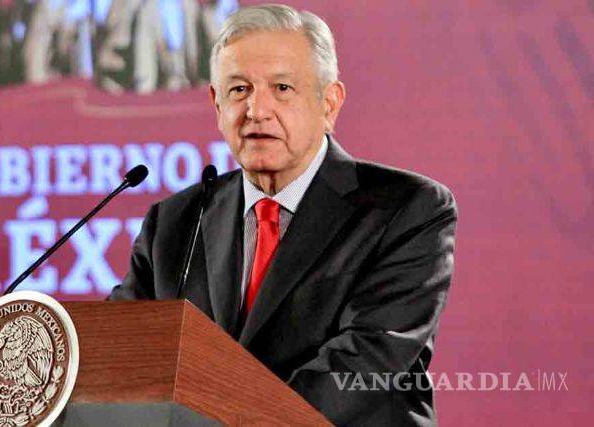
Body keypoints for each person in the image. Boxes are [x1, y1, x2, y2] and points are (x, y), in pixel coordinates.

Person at [109, 4, 457, 425]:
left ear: (329, 104)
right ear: (217, 105)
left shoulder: (406, 209)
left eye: (282, 88)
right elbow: (119, 356)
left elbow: (366, 361)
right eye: (239, 90)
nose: (256, 110)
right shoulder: (175, 222)